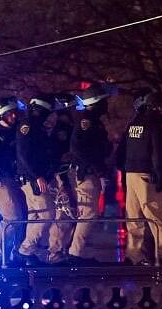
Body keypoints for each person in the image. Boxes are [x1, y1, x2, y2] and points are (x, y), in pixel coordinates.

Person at [116, 91, 162, 265]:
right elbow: (156, 151)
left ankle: (133, 256)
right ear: (154, 107)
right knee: (158, 217)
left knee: (133, 217)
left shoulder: (133, 123)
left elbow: (121, 152)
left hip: (130, 174)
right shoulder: (153, 125)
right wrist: (160, 173)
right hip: (146, 175)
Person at [67, 85, 113, 263]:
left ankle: (76, 253)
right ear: (96, 102)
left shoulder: (93, 121)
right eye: (104, 101)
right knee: (88, 214)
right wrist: (98, 170)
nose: (107, 105)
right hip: (86, 174)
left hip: (91, 172)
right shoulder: (86, 121)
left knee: (90, 214)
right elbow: (78, 149)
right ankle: (75, 254)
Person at [14, 94, 60, 265]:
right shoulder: (28, 126)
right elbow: (24, 154)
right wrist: (37, 176)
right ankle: (26, 249)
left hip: (35, 177)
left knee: (36, 216)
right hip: (32, 179)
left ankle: (27, 250)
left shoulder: (36, 127)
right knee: (47, 214)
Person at [0, 96, 25, 264]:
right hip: (1, 181)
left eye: (15, 113)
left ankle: (14, 253)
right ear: (1, 115)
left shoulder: (17, 131)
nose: (14, 116)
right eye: (10, 114)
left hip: (16, 180)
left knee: (21, 218)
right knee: (12, 218)